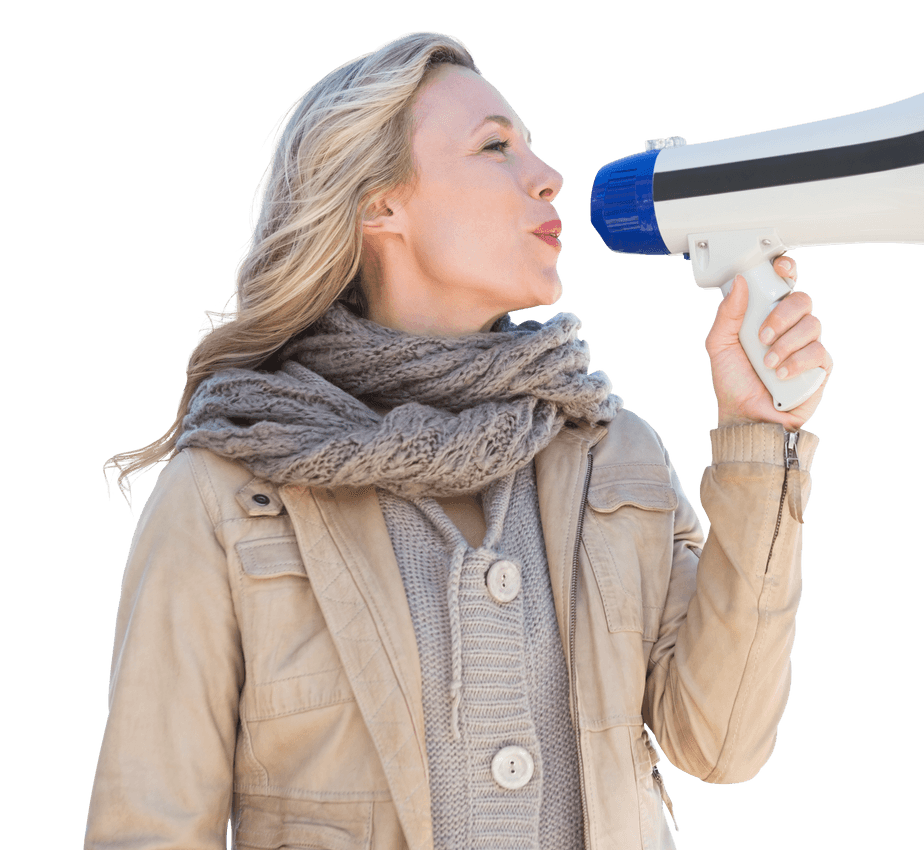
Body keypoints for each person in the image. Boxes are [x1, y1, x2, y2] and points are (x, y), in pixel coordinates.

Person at [85, 30, 832, 850]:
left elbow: (720, 741)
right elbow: (147, 832)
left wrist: (761, 435)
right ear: (380, 205)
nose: (547, 177)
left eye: (533, 149)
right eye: (494, 147)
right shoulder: (225, 496)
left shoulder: (614, 456)